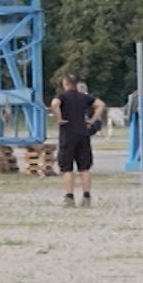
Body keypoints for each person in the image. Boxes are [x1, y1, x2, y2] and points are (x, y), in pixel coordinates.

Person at [51, 74, 100, 207]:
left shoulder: (62, 96)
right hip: (83, 134)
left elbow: (54, 104)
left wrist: (60, 118)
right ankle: (87, 196)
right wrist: (92, 120)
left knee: (66, 168)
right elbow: (100, 105)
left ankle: (69, 197)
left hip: (68, 135)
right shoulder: (83, 97)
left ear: (65, 84)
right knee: (84, 167)